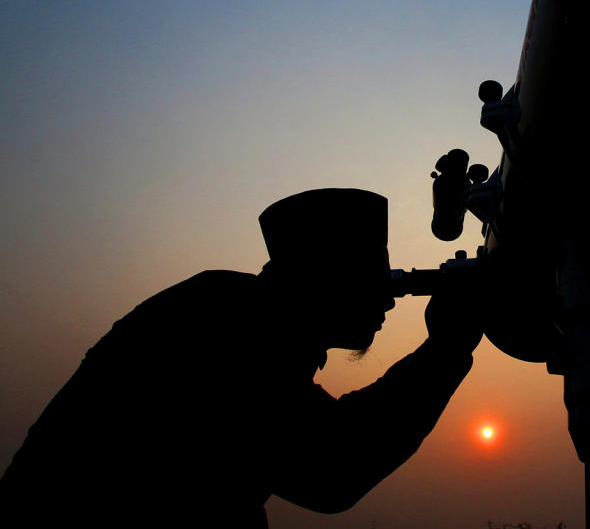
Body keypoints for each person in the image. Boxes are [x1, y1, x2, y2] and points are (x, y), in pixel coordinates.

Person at [0, 188, 483, 527]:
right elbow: (331, 469)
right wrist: (446, 349)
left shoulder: (241, 317)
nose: (390, 298)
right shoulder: (226, 319)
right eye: (377, 278)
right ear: (329, 278)